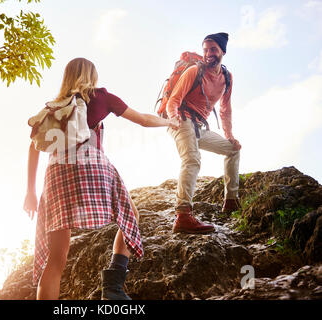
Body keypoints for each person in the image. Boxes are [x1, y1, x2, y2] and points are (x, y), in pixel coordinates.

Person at [23, 57, 178, 300]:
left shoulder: (51, 108)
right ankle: (113, 287)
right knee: (130, 215)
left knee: (56, 258)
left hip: (56, 175)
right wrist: (170, 121)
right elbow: (144, 120)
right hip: (90, 167)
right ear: (91, 76)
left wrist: (30, 192)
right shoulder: (101, 96)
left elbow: (33, 148)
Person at [166, 32, 242, 234]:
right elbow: (173, 100)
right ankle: (183, 215)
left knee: (233, 150)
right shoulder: (193, 71)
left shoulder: (227, 77)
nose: (208, 53)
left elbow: (226, 109)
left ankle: (231, 201)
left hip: (199, 127)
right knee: (192, 159)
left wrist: (229, 135)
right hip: (181, 119)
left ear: (222, 52)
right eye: (205, 49)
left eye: (213, 49)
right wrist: (173, 118)